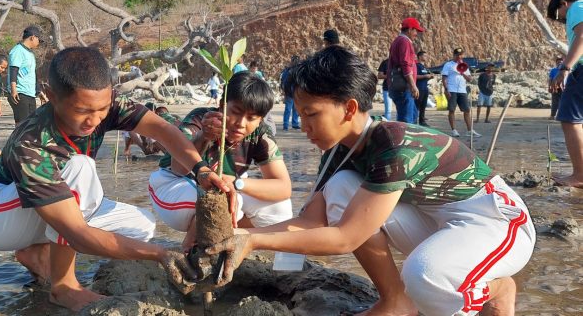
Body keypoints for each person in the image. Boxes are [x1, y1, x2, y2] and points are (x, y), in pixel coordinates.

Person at [208, 46, 535, 316]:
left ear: (349, 108)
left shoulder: (393, 145)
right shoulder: (340, 153)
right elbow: (310, 221)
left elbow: (344, 239)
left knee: (425, 275)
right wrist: (240, 235)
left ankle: (494, 288)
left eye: (311, 114)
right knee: (341, 187)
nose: (304, 126)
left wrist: (252, 241)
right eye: (299, 113)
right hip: (437, 220)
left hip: (496, 221)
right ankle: (396, 300)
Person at [0, 47, 229, 311]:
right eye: (82, 111)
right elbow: (79, 235)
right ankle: (64, 287)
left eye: (102, 110)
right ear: (50, 96)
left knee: (141, 226)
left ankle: (39, 254)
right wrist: (160, 254)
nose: (93, 121)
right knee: (79, 167)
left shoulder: (106, 104)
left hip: (46, 205)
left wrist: (201, 170)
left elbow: (162, 130)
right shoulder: (32, 143)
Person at [149, 72, 292, 249]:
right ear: (222, 105)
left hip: (230, 186)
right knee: (222, 196)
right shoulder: (202, 119)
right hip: (173, 185)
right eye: (236, 112)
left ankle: (235, 243)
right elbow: (178, 168)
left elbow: (283, 188)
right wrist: (203, 137)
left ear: (261, 119)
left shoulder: (260, 134)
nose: (241, 123)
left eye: (251, 118)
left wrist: (237, 182)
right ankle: (191, 251)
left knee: (281, 207)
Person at [547, 0, 583, 188]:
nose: (562, 21)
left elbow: (582, 36)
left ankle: (580, 175)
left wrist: (565, 68)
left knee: (570, 119)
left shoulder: (577, 7)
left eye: (559, 15)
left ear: (563, 3)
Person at [387, 17, 423, 124]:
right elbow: (406, 65)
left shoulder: (399, 41)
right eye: (415, 30)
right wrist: (413, 85)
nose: (416, 34)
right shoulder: (404, 41)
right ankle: (403, 140)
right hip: (403, 87)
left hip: (401, 86)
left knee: (412, 116)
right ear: (409, 29)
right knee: (406, 121)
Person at [442, 47, 481, 137]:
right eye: (457, 55)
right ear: (454, 55)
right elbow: (444, 78)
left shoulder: (464, 65)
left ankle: (469, 130)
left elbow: (470, 79)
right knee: (452, 110)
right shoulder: (448, 65)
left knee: (466, 110)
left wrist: (462, 72)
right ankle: (454, 130)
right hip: (452, 89)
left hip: (462, 90)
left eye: (461, 55)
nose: (459, 56)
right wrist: (446, 89)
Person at [7, 25, 42, 125]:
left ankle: (25, 141)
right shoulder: (17, 51)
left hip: (30, 93)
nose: (38, 43)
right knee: (22, 124)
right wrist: (14, 90)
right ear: (33, 37)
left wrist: (39, 92)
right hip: (20, 93)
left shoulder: (30, 54)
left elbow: (32, 74)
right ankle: (18, 141)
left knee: (31, 124)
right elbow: (14, 70)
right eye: (38, 39)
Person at [281, 55, 301, 131]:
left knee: (292, 109)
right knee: (290, 109)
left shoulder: (288, 70)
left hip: (292, 92)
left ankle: (290, 124)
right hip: (292, 92)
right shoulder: (291, 70)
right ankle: (290, 124)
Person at [415, 51, 433, 127]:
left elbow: (424, 77)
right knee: (417, 105)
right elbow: (414, 76)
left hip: (425, 88)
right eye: (424, 56)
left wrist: (429, 77)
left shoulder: (424, 67)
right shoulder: (416, 66)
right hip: (419, 88)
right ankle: (414, 121)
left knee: (423, 106)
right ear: (419, 57)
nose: (426, 57)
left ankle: (422, 121)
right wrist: (425, 76)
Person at [549, 55, 564, 120]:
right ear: (556, 63)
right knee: (554, 102)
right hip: (555, 87)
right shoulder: (553, 70)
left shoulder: (564, 70)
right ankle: (552, 115)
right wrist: (549, 87)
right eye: (558, 62)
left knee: (563, 102)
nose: (559, 63)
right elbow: (550, 79)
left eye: (561, 62)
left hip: (563, 88)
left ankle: (562, 115)